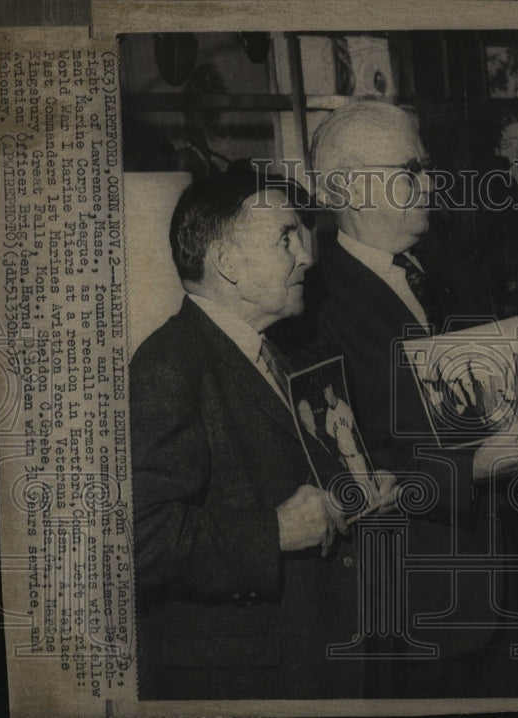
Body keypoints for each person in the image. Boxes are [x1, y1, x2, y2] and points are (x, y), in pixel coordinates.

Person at [280, 100, 518, 697]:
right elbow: (351, 467)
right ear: (348, 189)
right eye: (408, 170)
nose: (430, 183)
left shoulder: (457, 274)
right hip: (422, 604)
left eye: (426, 165)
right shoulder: (306, 307)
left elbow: (496, 399)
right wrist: (478, 466)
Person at [130, 167, 391, 699]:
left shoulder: (276, 352)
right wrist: (271, 532)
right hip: (240, 682)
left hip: (309, 659)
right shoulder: (168, 365)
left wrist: (354, 499)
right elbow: (138, 541)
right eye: (285, 238)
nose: (308, 257)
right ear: (226, 263)